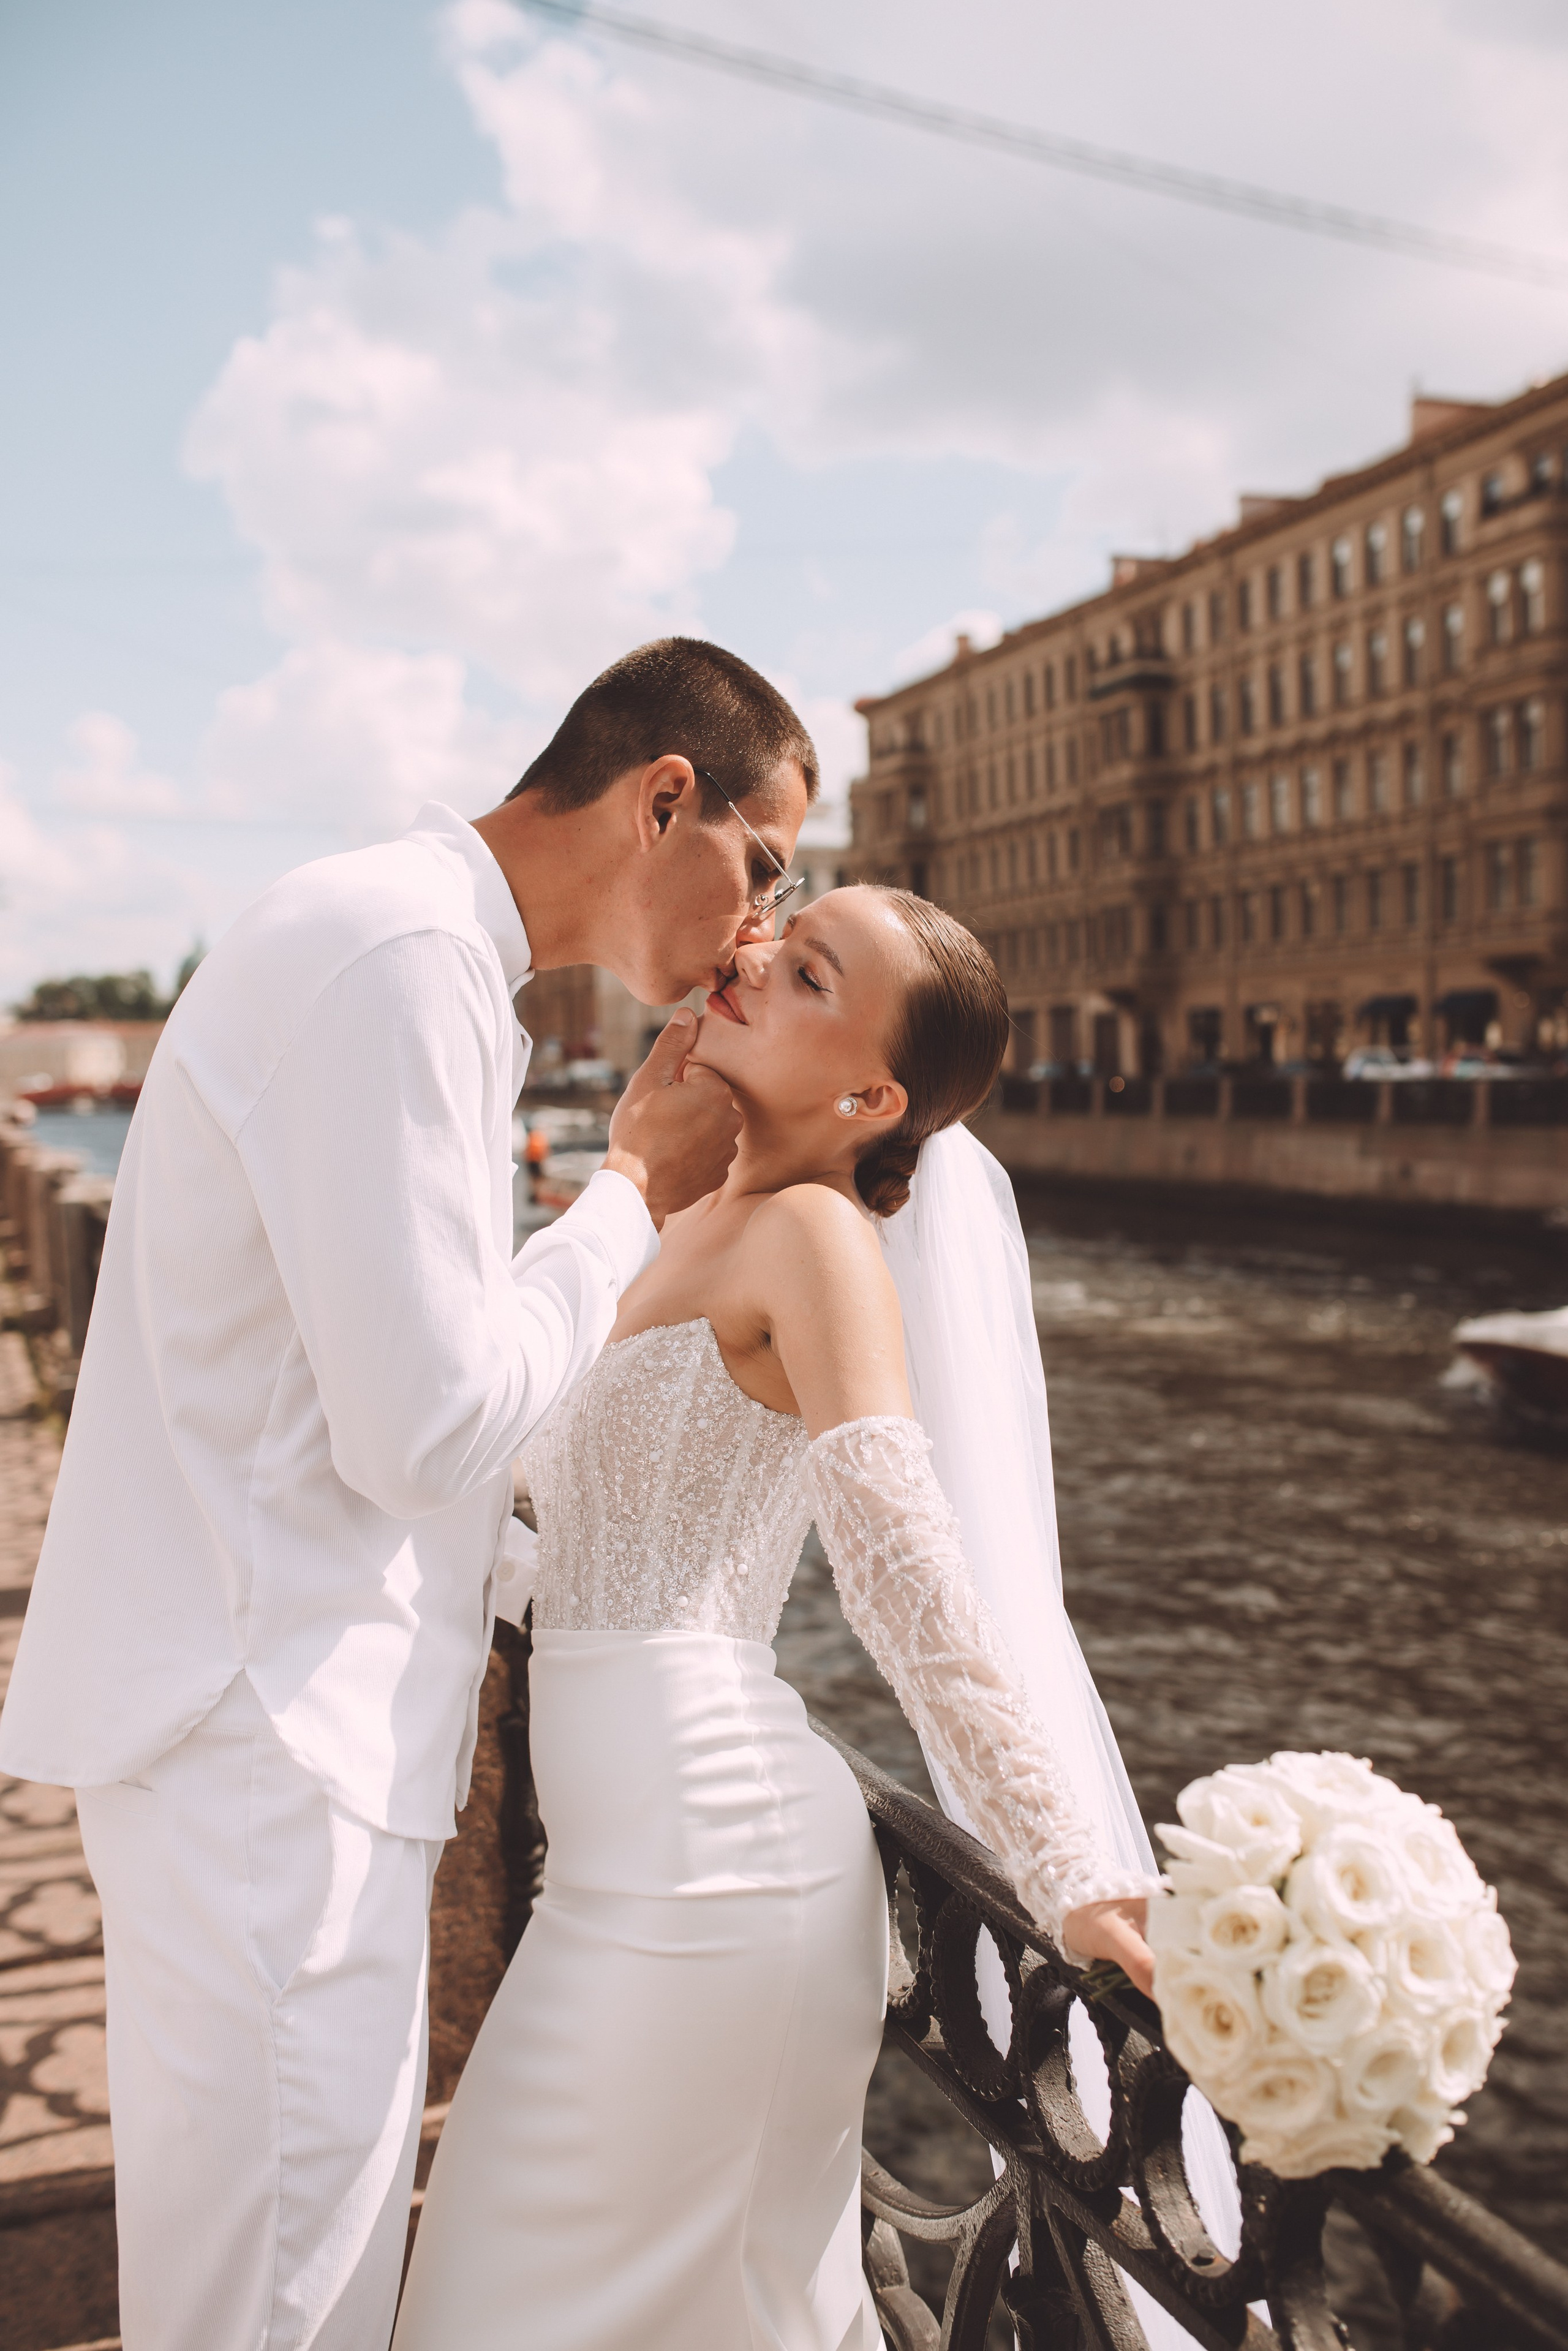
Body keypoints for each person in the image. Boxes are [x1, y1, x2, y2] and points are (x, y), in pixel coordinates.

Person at [0, 638, 816, 2351]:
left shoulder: (401, 942)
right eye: (763, 868)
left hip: (255, 1719)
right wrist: (627, 1195)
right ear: (662, 798)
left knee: (255, 2288)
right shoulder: (405, 961)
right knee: (281, 2310)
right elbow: (427, 1429)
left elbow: (374, 1382)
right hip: (272, 1731)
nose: (759, 927)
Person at [393, 885, 1174, 2351]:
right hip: (605, 1874)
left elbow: (901, 1567)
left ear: (870, 1098)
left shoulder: (816, 1239)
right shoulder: (670, 1219)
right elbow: (534, 1517)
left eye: (809, 973)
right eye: (779, 935)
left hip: (721, 1865)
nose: (752, 958)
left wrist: (1063, 1865)